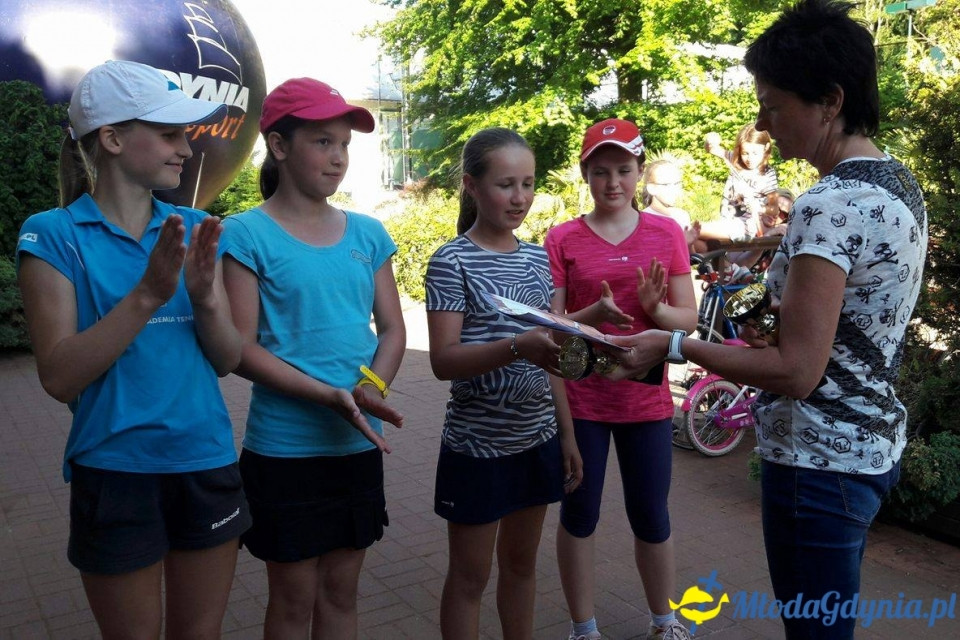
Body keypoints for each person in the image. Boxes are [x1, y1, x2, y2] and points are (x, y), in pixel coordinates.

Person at [607, 1, 928, 637]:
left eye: (774, 105)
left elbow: (796, 371)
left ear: (830, 100)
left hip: (818, 462)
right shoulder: (898, 185)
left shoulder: (828, 203)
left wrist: (673, 345)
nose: (762, 124)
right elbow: (846, 326)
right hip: (870, 449)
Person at [15, 60, 249, 638]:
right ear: (114, 139)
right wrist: (147, 294)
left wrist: (207, 300)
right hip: (115, 471)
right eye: (170, 134)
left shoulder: (194, 227)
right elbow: (59, 377)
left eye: (185, 136)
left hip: (205, 458)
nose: (186, 150)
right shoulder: (52, 235)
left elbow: (228, 360)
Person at [220, 77, 406, 639]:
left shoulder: (369, 233)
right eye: (322, 142)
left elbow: (393, 329)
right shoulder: (244, 233)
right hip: (285, 450)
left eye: (344, 144)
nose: (338, 157)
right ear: (279, 145)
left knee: (341, 594)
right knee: (294, 598)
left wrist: (373, 386)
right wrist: (327, 395)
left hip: (356, 443)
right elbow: (240, 349)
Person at [425, 127, 584, 640]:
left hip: (535, 440)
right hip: (476, 447)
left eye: (528, 184)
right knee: (470, 578)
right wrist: (519, 346)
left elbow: (552, 354)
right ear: (472, 186)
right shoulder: (451, 261)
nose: (520, 198)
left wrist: (567, 435)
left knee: (520, 568)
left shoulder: (539, 258)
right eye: (505, 185)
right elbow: (444, 361)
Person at [544, 119, 697, 640]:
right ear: (585, 173)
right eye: (601, 171)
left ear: (639, 172)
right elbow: (554, 326)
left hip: (646, 402)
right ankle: (583, 628)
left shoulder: (666, 231)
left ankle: (663, 621)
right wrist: (593, 313)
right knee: (579, 513)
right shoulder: (562, 237)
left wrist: (656, 307)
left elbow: (688, 320)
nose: (613, 182)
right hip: (584, 401)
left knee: (651, 515)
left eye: (624, 170)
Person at [699, 123, 780, 244]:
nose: (749, 159)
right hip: (728, 221)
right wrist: (710, 140)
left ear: (766, 148)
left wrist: (759, 208)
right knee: (696, 244)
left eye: (755, 153)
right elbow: (710, 149)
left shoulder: (767, 174)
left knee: (695, 229)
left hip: (747, 226)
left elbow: (774, 209)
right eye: (745, 153)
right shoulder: (734, 160)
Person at [641, 159, 701, 253]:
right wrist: (680, 243)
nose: (674, 189)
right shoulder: (642, 219)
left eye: (677, 183)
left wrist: (689, 244)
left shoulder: (681, 215)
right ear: (651, 188)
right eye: (667, 184)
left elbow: (691, 259)